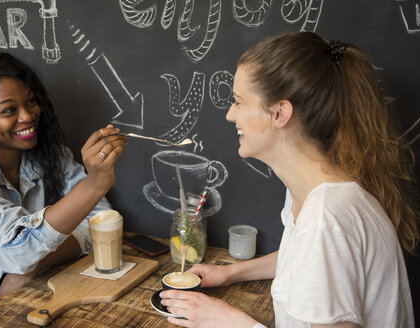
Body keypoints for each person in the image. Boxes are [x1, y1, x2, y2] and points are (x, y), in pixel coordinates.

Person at [160, 31, 418, 327]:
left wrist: (227, 320)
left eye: (239, 102)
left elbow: (318, 247)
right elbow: (303, 261)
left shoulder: (325, 218)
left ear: (280, 112)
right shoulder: (314, 191)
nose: (231, 115)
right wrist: (230, 273)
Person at [0, 49, 127, 327]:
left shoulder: (48, 154)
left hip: (35, 297)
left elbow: (100, 222)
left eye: (31, 102)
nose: (28, 116)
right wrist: (93, 185)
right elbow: (18, 251)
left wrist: (32, 266)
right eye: (9, 110)